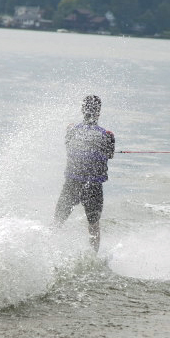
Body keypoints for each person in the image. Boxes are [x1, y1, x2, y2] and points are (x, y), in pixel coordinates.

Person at [54, 95, 115, 252]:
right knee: (93, 225)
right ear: (99, 112)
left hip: (72, 184)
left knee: (57, 222)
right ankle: (93, 256)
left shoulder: (71, 130)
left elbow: (68, 148)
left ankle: (47, 250)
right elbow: (109, 155)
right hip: (93, 187)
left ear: (82, 110)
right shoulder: (107, 135)